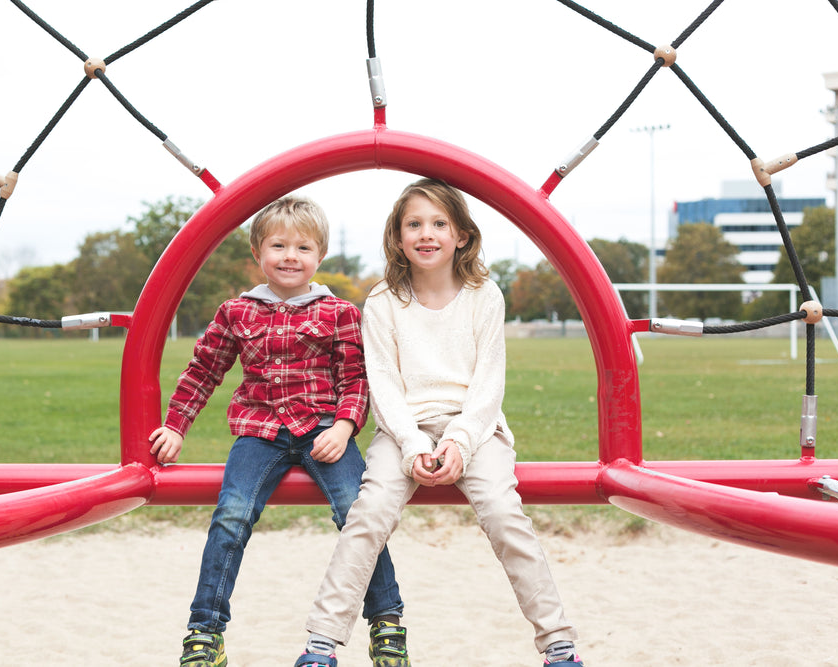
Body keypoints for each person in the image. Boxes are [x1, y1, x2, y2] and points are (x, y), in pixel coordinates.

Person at [296, 178, 583, 666]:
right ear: (398, 236)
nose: (426, 234)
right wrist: (411, 446)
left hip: (475, 429)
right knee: (367, 515)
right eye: (414, 224)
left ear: (461, 236)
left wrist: (459, 443)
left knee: (503, 512)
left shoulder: (484, 295)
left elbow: (488, 385)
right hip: (402, 429)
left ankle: (558, 644)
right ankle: (322, 643)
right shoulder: (384, 300)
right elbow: (382, 385)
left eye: (438, 224)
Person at [149, 195, 408, 667]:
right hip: (260, 430)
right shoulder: (237, 312)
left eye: (303, 248)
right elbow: (203, 371)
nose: (291, 256)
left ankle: (386, 621)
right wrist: (175, 425)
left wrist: (346, 425)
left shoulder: (340, 313)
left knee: (358, 512)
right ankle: (205, 630)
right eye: (279, 246)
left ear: (319, 256)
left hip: (325, 430)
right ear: (258, 253)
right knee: (231, 515)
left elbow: (357, 378)